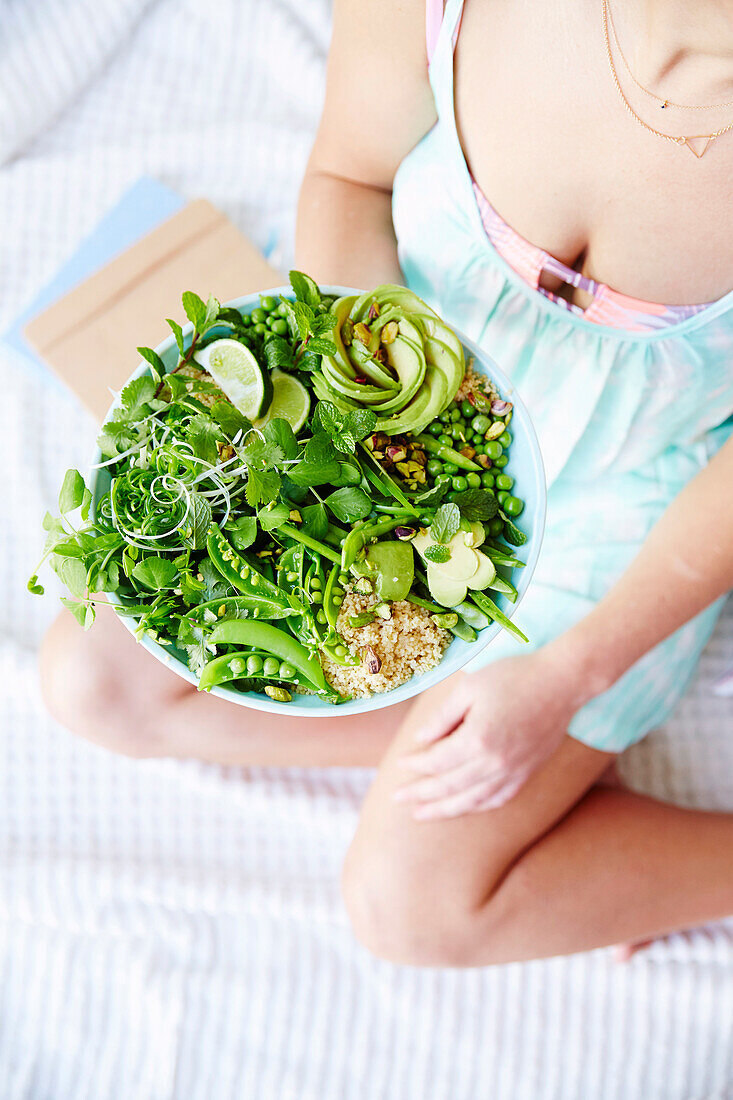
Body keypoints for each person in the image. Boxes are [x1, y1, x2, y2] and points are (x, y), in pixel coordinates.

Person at [42, 0, 733, 967]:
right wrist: (358, 437)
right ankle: (527, 764)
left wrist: (564, 678)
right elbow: (350, 177)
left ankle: (571, 773)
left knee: (409, 908)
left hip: (632, 517)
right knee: (91, 687)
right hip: (375, 415)